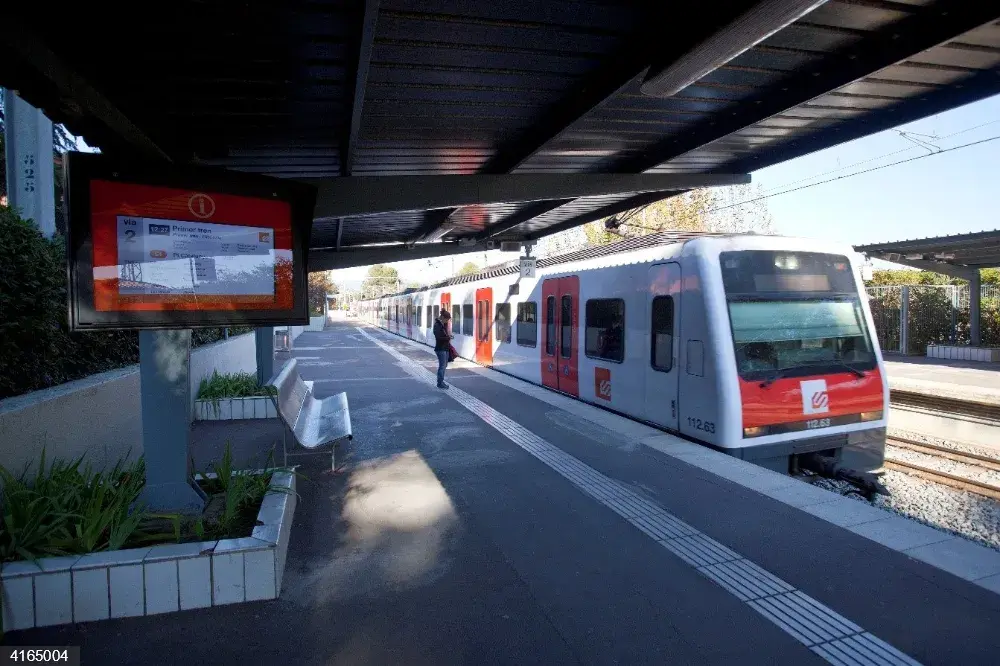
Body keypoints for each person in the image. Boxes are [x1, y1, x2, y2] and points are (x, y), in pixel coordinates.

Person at [433, 309, 453, 389]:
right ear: (443, 318)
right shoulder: (437, 325)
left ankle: (441, 382)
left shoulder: (442, 325)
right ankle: (440, 382)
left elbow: (443, 335)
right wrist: (447, 337)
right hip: (440, 348)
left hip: (444, 348)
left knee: (444, 365)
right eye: (447, 319)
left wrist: (448, 337)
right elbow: (438, 337)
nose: (447, 321)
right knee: (442, 366)